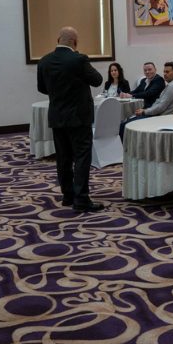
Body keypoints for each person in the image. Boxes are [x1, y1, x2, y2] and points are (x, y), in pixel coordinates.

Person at [36, 26, 104, 212]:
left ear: (58, 40)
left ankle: (68, 195)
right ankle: (81, 199)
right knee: (82, 157)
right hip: (79, 117)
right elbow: (97, 80)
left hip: (57, 116)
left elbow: (42, 88)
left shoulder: (44, 61)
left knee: (63, 158)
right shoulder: (79, 59)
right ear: (75, 42)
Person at [119, 62, 173, 140]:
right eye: (164, 72)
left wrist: (144, 111)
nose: (165, 74)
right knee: (127, 121)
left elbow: (160, 107)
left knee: (125, 125)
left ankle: (126, 147)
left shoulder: (172, 86)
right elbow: (158, 102)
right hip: (156, 114)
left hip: (159, 117)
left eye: (167, 72)